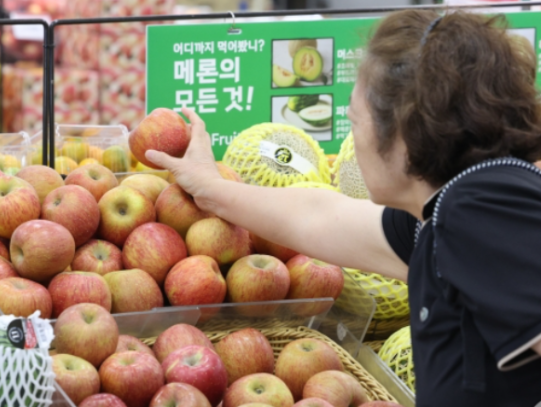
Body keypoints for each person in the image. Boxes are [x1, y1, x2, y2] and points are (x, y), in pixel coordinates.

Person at [146, 9, 541, 407]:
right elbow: (316, 217)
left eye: (354, 119)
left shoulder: (480, 212)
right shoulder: (444, 213)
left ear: (403, 130)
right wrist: (210, 188)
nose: (352, 141)